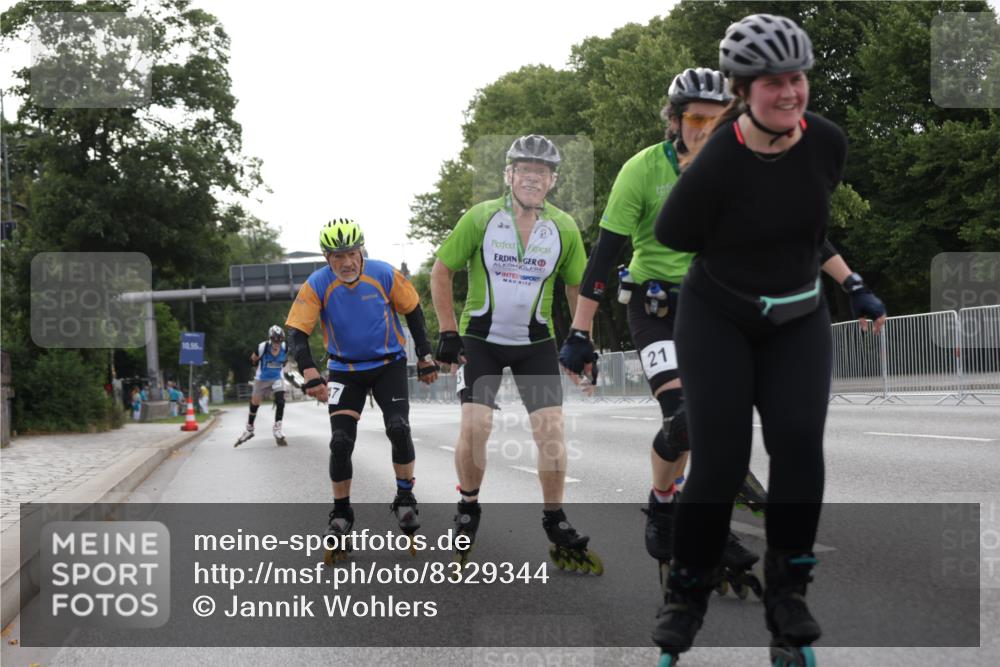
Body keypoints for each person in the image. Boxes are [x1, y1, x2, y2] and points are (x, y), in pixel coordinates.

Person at [650, 14, 887, 666]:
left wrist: (853, 283)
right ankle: (687, 595)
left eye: (797, 78)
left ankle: (788, 593)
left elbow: (808, 230)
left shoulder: (827, 143)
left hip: (798, 317)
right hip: (718, 317)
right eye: (772, 82)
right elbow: (672, 233)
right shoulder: (718, 158)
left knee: (799, 446)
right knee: (721, 461)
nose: (789, 92)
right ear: (741, 90)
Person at [558, 67, 764, 595]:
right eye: (696, 118)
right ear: (674, 120)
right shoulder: (642, 170)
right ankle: (663, 503)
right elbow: (604, 255)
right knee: (683, 419)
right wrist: (580, 332)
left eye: (719, 121)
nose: (706, 130)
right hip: (656, 310)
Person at [430, 134, 601, 573]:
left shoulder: (564, 227)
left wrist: (582, 338)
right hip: (480, 340)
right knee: (476, 425)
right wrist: (447, 330)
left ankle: (555, 518)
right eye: (524, 170)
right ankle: (468, 506)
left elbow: (577, 287)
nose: (532, 178)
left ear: (552, 181)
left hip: (535, 343)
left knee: (551, 430)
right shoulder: (481, 217)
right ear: (509, 175)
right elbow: (442, 270)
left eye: (541, 172)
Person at [285, 219, 439, 561]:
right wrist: (310, 372)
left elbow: (413, 311)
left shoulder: (383, 274)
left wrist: (426, 356)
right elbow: (297, 332)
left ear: (361, 252)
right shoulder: (317, 284)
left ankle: (405, 497)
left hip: (388, 365)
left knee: (398, 427)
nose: (346, 263)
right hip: (344, 370)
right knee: (340, 442)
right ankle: (341, 514)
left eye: (352, 254)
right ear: (327, 258)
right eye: (337, 256)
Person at [235, 325, 291, 447]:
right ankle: (249, 429)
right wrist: (259, 363)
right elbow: (252, 360)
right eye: (274, 340)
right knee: (255, 404)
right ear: (270, 339)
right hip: (262, 379)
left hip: (277, 377)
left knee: (280, 400)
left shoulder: (285, 347)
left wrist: (279, 365)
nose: (276, 343)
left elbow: (285, 360)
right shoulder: (262, 347)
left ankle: (277, 429)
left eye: (279, 341)